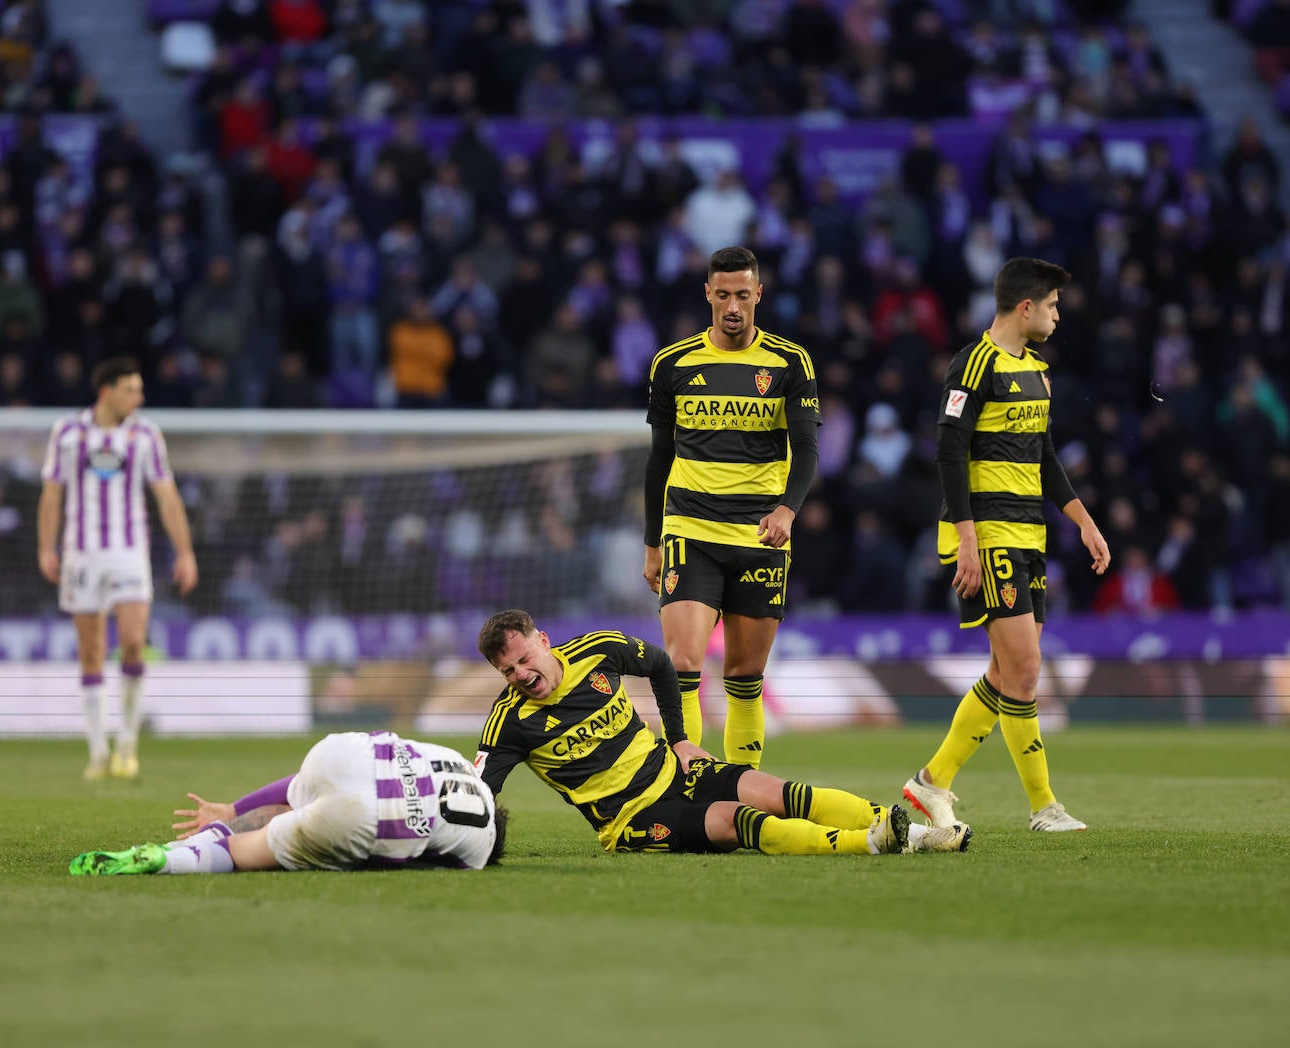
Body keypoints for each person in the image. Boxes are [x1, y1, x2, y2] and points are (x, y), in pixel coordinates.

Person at [473, 610, 970, 857]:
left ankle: (921, 836)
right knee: (739, 819)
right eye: (508, 671)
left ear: (543, 641)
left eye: (524, 659)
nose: (520, 674)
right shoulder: (509, 723)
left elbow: (664, 667)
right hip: (631, 818)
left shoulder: (598, 651)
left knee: (779, 792)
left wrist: (681, 739)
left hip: (675, 770)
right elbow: (481, 791)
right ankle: (870, 842)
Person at [902, 258, 1111, 833]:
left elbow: (1044, 457)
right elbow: (948, 452)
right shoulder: (972, 365)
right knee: (1023, 671)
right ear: (1026, 307)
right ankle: (1044, 807)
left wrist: (1084, 522)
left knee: (1007, 673)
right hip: (987, 533)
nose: (1057, 314)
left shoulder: (1038, 372)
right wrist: (965, 540)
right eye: (1052, 305)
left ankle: (931, 782)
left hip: (1030, 534)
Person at [643, 246, 820, 768]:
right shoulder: (672, 364)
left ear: (759, 294)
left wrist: (788, 510)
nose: (733, 306)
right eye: (723, 295)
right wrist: (652, 543)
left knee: (744, 676)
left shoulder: (790, 362)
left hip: (759, 535)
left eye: (743, 294)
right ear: (708, 295)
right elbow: (659, 462)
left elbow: (807, 449)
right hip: (690, 529)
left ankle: (743, 790)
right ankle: (684, 790)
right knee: (682, 665)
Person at [38, 357, 198, 781]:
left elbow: (166, 495)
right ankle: (97, 751)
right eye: (131, 389)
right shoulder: (68, 432)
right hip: (81, 554)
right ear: (107, 391)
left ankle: (127, 744)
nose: (139, 398)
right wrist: (45, 547)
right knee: (90, 651)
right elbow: (52, 494)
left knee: (131, 642)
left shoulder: (145, 435)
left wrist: (185, 552)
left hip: (129, 553)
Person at [69, 731, 506, 875]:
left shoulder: (460, 761)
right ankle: (161, 860)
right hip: (370, 819)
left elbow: (299, 783)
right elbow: (419, 861)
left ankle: (222, 823)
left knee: (304, 794)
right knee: (244, 853)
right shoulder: (480, 852)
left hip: (342, 753)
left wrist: (235, 808)